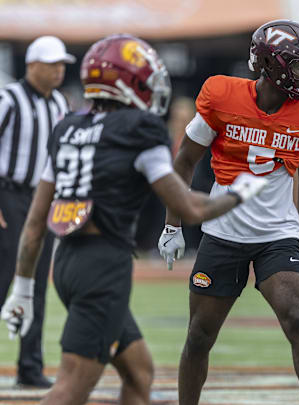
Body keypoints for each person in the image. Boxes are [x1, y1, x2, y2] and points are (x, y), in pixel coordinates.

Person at [0, 34, 267, 405]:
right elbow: (189, 208)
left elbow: (34, 223)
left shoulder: (67, 128)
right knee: (70, 388)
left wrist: (25, 288)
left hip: (66, 264)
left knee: (139, 374)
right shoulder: (139, 130)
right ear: (124, 84)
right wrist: (240, 194)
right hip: (103, 266)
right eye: (143, 81)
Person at [157, 20, 299, 405]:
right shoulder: (221, 96)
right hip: (224, 231)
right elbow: (184, 163)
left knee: (298, 321)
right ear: (273, 66)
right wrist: (173, 225)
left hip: (277, 234)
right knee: (200, 335)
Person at [0, 35, 74, 388]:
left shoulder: (60, 103)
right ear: (32, 65)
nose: (59, 70)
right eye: (53, 63)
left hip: (42, 199)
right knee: (2, 279)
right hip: (7, 195)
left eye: (63, 64)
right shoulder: (7, 98)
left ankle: (29, 366)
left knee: (35, 285)